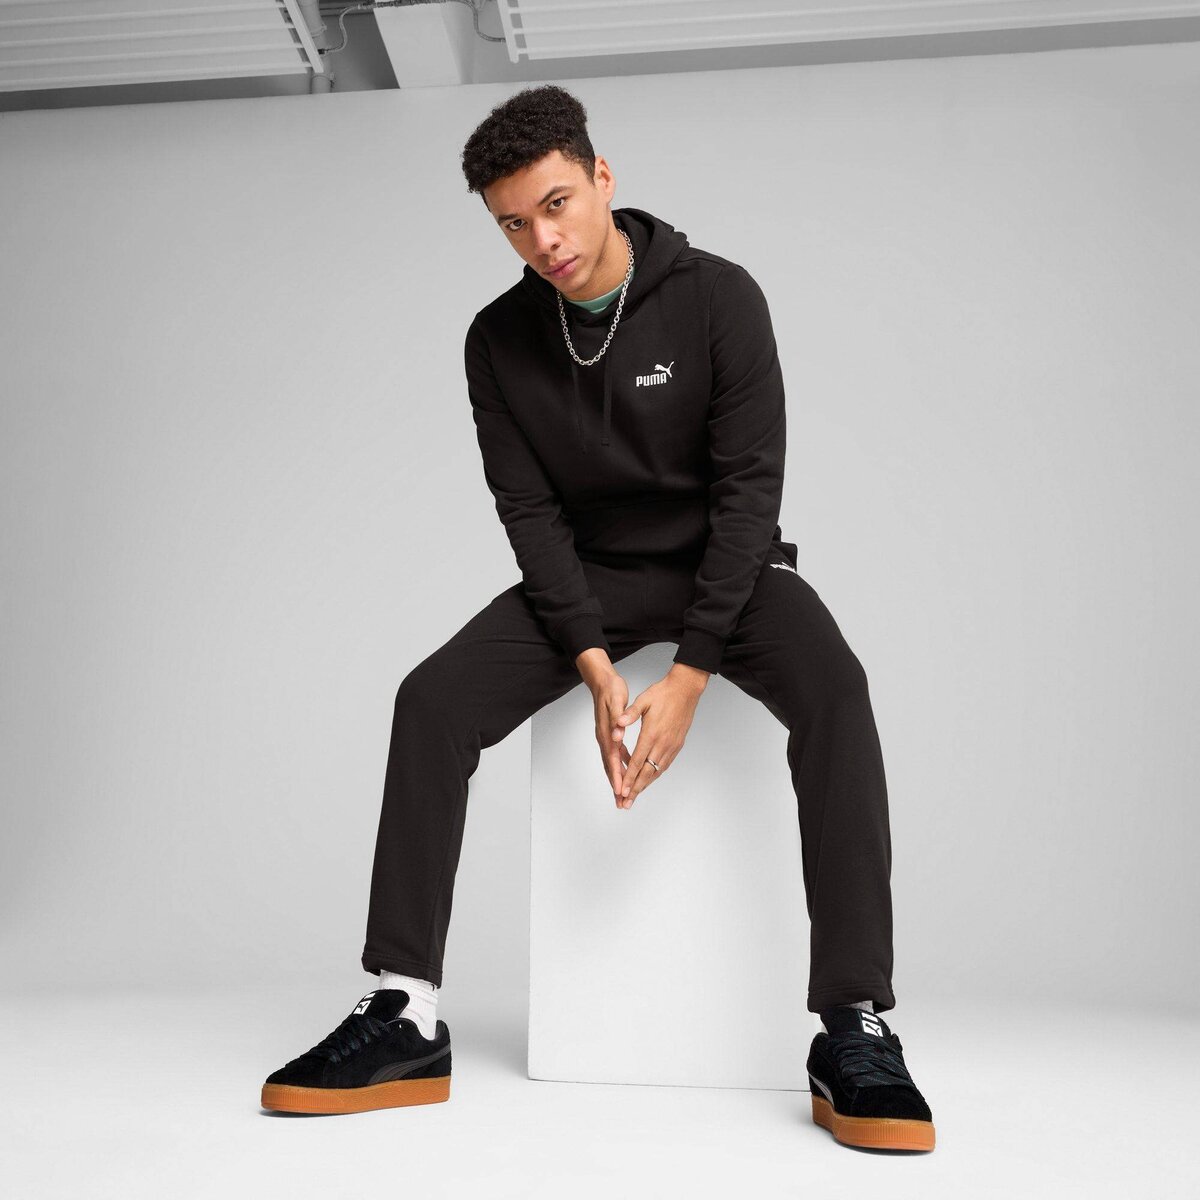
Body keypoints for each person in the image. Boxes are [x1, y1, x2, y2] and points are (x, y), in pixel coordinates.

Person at [260, 84, 935, 1152]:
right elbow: (526, 511)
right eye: (513, 224)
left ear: (602, 178)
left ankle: (852, 1023)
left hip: (731, 570)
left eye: (557, 205)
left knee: (837, 691)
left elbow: (750, 492)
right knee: (430, 701)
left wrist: (692, 669)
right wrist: (591, 657)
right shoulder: (496, 340)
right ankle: (404, 1010)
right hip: (588, 580)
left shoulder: (719, 299)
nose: (544, 241)